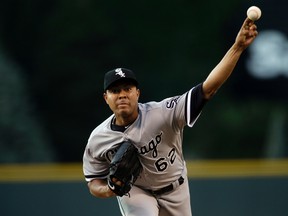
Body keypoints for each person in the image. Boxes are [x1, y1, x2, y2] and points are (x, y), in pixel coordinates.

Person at [83, 17, 258, 216]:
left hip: (175, 188)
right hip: (135, 191)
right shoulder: (98, 138)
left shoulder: (162, 113)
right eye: (115, 91)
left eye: (127, 89)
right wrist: (109, 189)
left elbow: (208, 89)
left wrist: (237, 47)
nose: (122, 94)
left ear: (137, 93)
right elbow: (93, 181)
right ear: (106, 97)